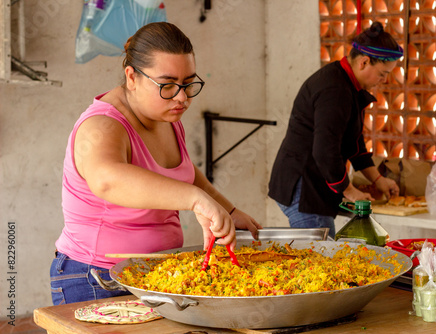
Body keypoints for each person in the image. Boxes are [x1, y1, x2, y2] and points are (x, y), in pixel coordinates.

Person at [50, 22, 261, 305]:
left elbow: (183, 173)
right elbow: (107, 179)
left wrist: (227, 208)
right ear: (132, 77)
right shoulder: (101, 126)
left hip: (158, 275)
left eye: (188, 84)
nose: (182, 97)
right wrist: (196, 201)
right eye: (168, 85)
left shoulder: (166, 118)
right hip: (97, 278)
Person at [268, 22, 401, 238]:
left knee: (325, 254)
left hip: (313, 184)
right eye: (382, 74)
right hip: (304, 188)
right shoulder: (335, 90)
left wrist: (378, 180)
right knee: (321, 259)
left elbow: (355, 145)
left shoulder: (349, 85)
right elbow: (324, 150)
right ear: (364, 62)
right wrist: (350, 191)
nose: (383, 81)